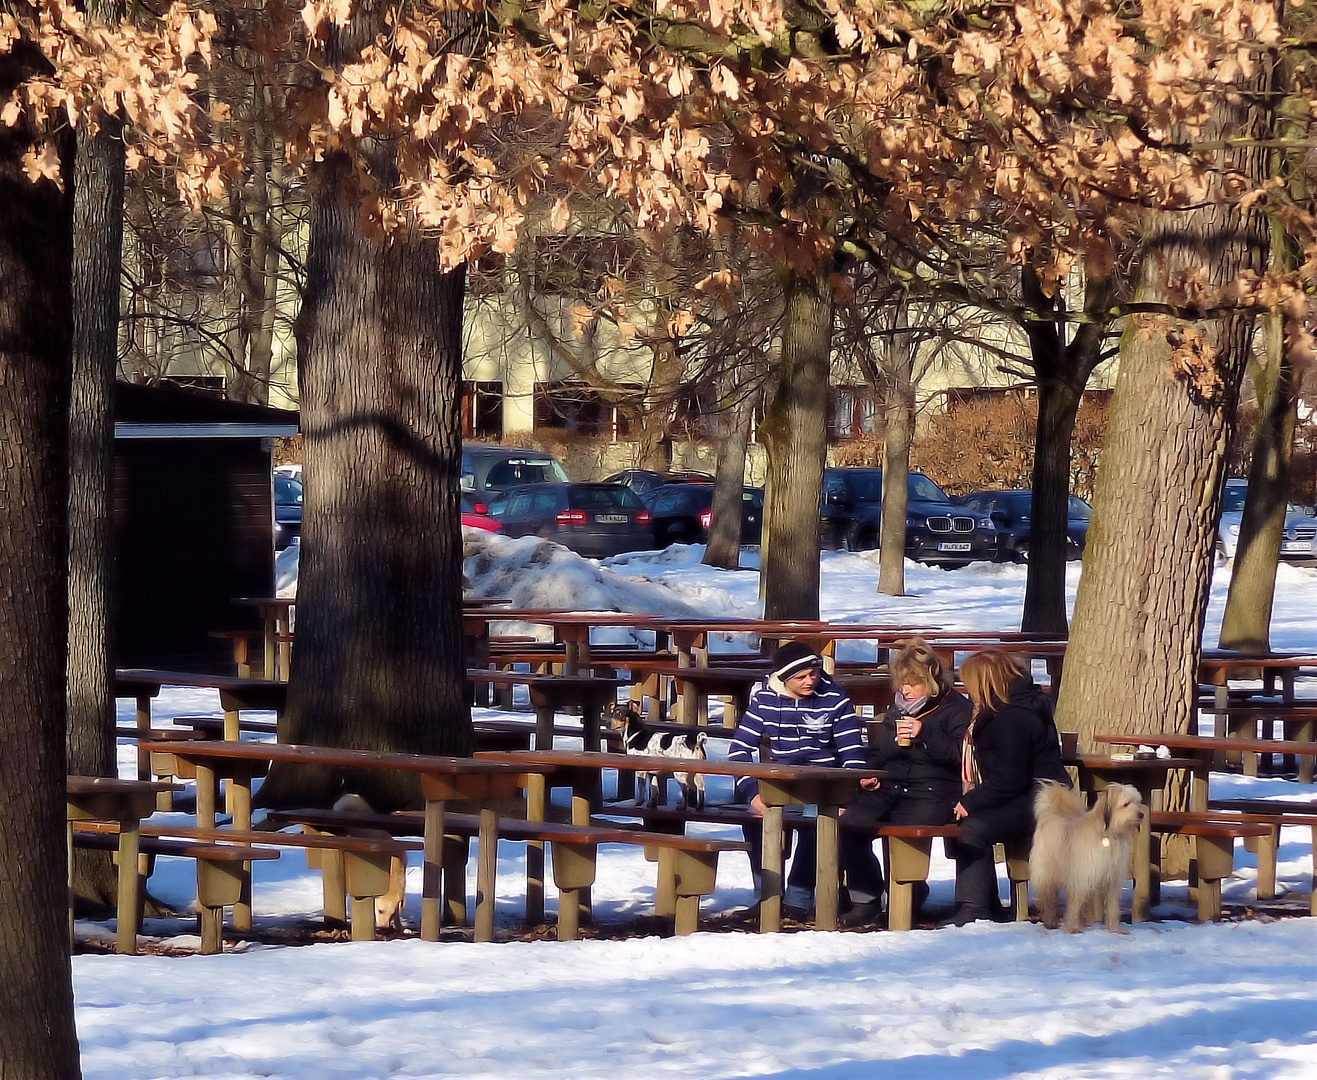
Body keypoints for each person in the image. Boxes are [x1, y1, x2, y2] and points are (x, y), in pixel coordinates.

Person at [839, 639, 972, 926]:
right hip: (892, 786)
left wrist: (924, 734)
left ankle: (909, 892)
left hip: (934, 791)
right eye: (902, 683)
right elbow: (878, 752)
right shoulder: (897, 709)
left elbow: (962, 756)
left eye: (913, 683)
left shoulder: (956, 708)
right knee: (850, 824)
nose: (905, 690)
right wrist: (870, 773)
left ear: (932, 681)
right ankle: (866, 897)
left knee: (905, 830)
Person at [728, 641, 866, 916]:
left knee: (814, 822)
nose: (810, 680)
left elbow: (853, 753)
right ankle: (767, 895)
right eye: (800, 677)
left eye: (813, 673)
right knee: (753, 821)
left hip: (825, 785)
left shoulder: (835, 699)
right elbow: (738, 751)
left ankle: (798, 900)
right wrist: (753, 793)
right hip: (782, 783)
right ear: (783, 678)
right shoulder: (764, 700)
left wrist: (846, 793)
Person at [946, 649, 1071, 926]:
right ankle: (983, 900)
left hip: (1039, 800)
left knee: (973, 827)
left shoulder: (1011, 717)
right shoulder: (1017, 706)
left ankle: (974, 906)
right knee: (965, 821)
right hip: (1030, 794)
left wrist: (971, 801)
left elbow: (1009, 778)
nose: (966, 689)